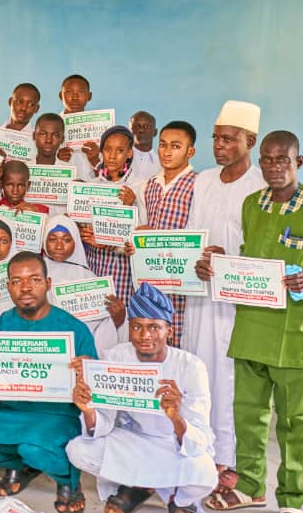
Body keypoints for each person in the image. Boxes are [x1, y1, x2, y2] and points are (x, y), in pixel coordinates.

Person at [204, 131, 303, 513]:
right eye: (267, 159)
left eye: (283, 159)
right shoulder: (253, 205)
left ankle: (291, 497)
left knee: (295, 419)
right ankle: (249, 485)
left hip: (294, 331)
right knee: (248, 413)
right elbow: (251, 259)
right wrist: (220, 261)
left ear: (299, 162)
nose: (275, 166)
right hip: (250, 326)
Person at [0, 252, 98, 513]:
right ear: (9, 287)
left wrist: (87, 372)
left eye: (34, 279)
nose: (26, 287)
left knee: (35, 446)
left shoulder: (74, 329)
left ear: (48, 283)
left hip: (57, 417)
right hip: (10, 413)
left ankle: (68, 482)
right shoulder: (0, 326)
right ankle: (24, 464)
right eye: (17, 281)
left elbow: (95, 392)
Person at [67, 282, 216, 513]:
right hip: (132, 441)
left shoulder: (191, 366)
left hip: (172, 445)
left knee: (205, 473)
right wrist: (87, 409)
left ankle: (180, 501)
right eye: (137, 326)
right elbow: (103, 422)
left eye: (154, 327)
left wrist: (176, 416)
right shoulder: (115, 357)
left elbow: (200, 437)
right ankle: (139, 485)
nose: (145, 335)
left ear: (169, 329)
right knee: (77, 450)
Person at [184, 100, 264, 484]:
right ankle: (198, 444)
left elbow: (262, 249)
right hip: (199, 293)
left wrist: (226, 259)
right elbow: (192, 234)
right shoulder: (203, 180)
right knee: (199, 368)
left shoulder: (261, 186)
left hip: (236, 300)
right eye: (216, 138)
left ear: (251, 140)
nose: (220, 145)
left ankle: (228, 457)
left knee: (229, 375)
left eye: (229, 139)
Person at [133, 120, 198, 347]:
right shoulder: (148, 186)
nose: (167, 152)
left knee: (180, 341)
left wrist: (157, 235)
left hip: (184, 281)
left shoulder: (198, 185)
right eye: (162, 145)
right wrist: (137, 241)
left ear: (191, 151)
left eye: (176, 146)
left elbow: (199, 233)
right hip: (152, 279)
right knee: (151, 341)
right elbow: (141, 226)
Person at [80, 125, 145, 307]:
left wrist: (128, 207)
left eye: (120, 150)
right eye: (107, 149)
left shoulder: (139, 187)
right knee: (96, 312)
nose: (112, 156)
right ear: (101, 151)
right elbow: (84, 225)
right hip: (94, 263)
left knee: (121, 317)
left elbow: (142, 232)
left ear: (130, 153)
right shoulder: (92, 186)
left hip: (123, 268)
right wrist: (83, 230)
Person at [43, 216, 124, 350]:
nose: (59, 246)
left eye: (66, 240)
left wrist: (117, 319)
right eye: (52, 239)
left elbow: (98, 330)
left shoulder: (90, 279)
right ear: (44, 241)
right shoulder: (36, 274)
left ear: (76, 242)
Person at [57, 74, 99, 178]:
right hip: (61, 188)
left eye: (81, 92)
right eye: (69, 92)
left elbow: (109, 171)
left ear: (89, 96)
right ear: (60, 95)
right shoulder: (49, 126)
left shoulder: (98, 126)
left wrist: (96, 160)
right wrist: (56, 157)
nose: (75, 97)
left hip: (89, 188)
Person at [130, 110, 161, 181]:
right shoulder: (120, 159)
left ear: (155, 132)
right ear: (130, 131)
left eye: (147, 126)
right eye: (137, 126)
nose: (141, 130)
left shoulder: (162, 163)